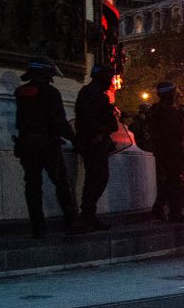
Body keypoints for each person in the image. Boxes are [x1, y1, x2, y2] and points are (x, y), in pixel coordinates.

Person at [13, 57, 86, 238]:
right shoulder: (51, 92)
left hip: (26, 145)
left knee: (32, 186)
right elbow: (59, 121)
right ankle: (71, 222)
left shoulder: (21, 91)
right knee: (61, 183)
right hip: (47, 145)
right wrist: (74, 139)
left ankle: (38, 227)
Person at [73, 64, 118, 230]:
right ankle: (87, 215)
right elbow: (93, 120)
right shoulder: (97, 95)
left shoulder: (88, 92)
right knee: (97, 178)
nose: (111, 81)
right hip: (95, 142)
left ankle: (88, 214)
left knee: (94, 178)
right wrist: (100, 131)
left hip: (90, 140)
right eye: (109, 77)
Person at [146, 82, 184, 223]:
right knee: (176, 183)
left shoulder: (156, 109)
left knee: (167, 182)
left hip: (163, 152)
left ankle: (162, 207)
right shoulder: (169, 111)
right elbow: (175, 130)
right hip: (172, 153)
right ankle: (173, 212)